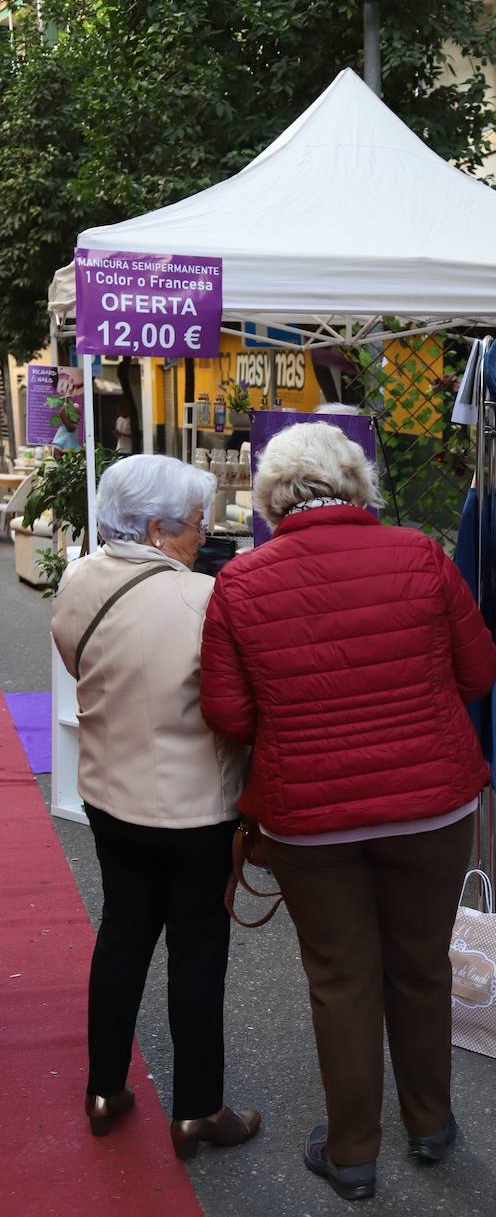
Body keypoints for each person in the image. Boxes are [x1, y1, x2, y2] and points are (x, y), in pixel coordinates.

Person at [199, 422, 496, 1202]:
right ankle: (431, 1126)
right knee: (421, 967)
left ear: (268, 499)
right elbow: (479, 671)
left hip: (310, 817)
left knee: (340, 978)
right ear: (359, 484)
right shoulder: (421, 556)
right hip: (430, 807)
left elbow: (229, 716)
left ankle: (353, 1153)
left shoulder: (240, 582)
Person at [50, 454, 259, 1160]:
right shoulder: (202, 599)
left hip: (111, 794)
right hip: (195, 807)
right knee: (197, 952)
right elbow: (234, 706)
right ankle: (198, 1111)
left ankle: (104, 1087)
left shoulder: (80, 579)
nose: (204, 533)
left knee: (122, 935)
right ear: (159, 526)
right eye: (198, 522)